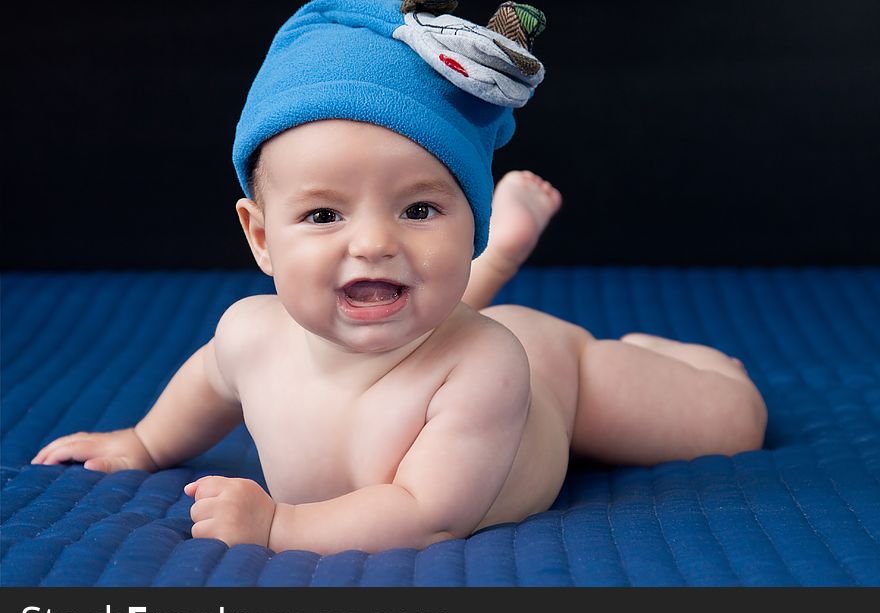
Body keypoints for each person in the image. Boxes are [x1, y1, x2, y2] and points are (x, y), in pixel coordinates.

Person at [31, 0, 767, 555]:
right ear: (260, 235)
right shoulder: (250, 332)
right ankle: (503, 257)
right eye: (323, 216)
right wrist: (144, 442)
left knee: (735, 422)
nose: (375, 243)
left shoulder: (491, 367)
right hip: (440, 325)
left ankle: (671, 352)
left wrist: (283, 525)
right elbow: (208, 382)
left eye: (419, 208)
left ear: (464, 223)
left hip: (554, 376)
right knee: (423, 316)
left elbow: (428, 508)